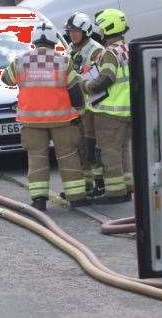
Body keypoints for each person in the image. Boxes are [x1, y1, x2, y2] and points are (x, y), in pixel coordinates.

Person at [0, 21, 88, 211]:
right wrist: (79, 111)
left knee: (37, 158)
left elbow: (5, 79)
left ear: (33, 41)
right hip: (62, 120)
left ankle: (39, 200)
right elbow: (74, 89)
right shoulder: (64, 61)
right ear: (53, 41)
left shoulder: (21, 61)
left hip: (31, 121)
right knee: (68, 156)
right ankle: (77, 198)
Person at [81, 8, 133, 204]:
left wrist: (87, 86)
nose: (99, 32)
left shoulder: (110, 53)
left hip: (109, 113)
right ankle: (127, 187)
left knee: (109, 152)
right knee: (123, 151)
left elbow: (106, 79)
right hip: (127, 110)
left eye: (101, 28)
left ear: (107, 28)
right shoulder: (127, 49)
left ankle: (115, 193)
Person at [64, 12, 106, 198]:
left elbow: (98, 79)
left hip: (92, 107)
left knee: (92, 147)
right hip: (77, 106)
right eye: (70, 31)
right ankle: (86, 185)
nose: (73, 34)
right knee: (80, 147)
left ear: (86, 31)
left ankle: (99, 184)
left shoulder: (95, 50)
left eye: (76, 31)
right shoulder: (71, 49)